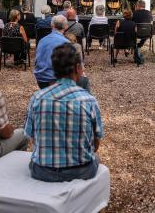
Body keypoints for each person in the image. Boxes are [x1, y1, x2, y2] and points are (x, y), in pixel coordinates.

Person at [25, 43, 103, 182]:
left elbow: (32, 136)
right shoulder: (88, 100)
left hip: (42, 170)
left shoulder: (37, 98)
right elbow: (95, 144)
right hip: (81, 170)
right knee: (96, 158)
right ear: (78, 68)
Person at [35, 14, 90, 89]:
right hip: (55, 80)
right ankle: (83, 98)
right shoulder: (66, 43)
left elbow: (37, 61)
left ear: (52, 26)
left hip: (41, 79)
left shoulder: (42, 41)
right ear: (66, 26)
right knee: (84, 80)